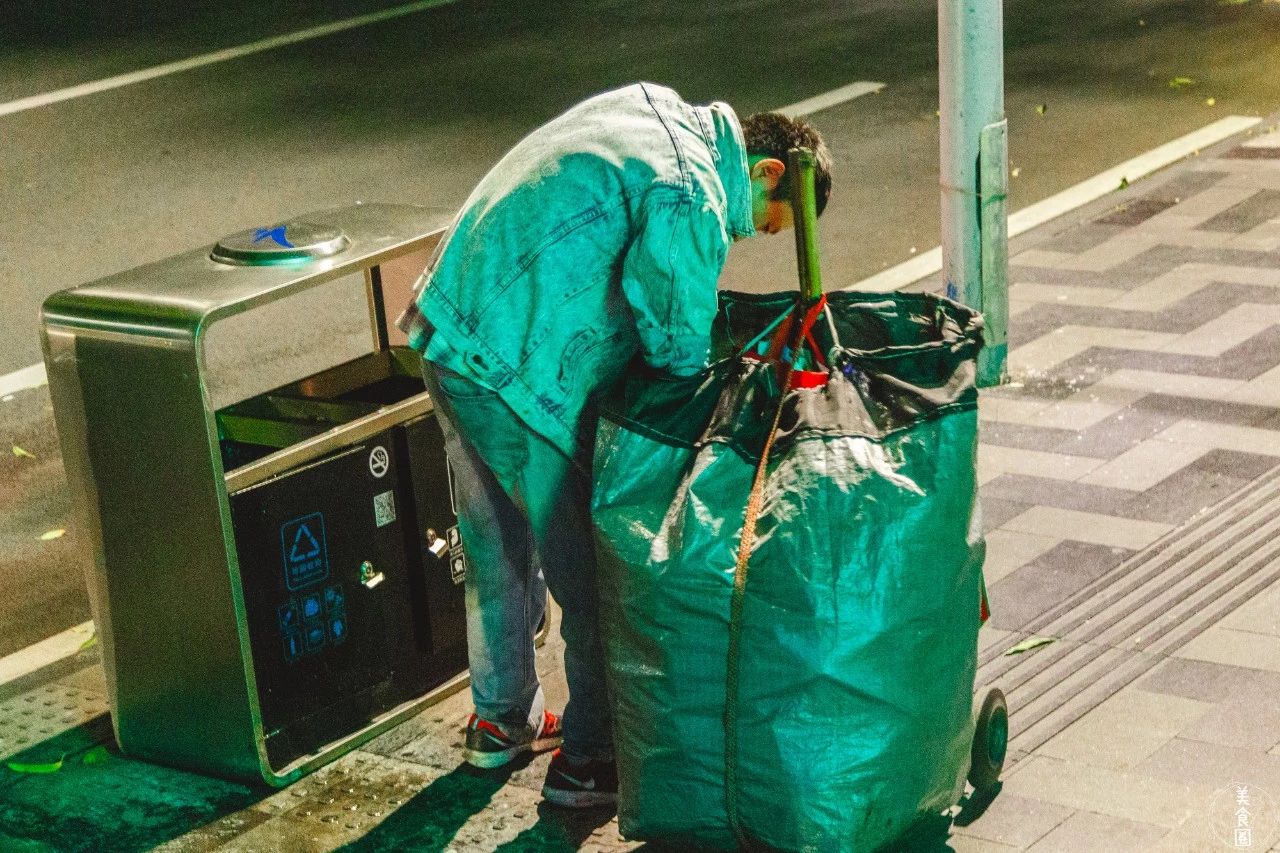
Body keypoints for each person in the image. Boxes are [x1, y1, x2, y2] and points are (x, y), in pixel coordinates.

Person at [397, 82, 831, 808]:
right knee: (591, 575)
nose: (751, 235)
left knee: (497, 547)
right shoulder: (692, 189)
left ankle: (501, 722)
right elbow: (673, 339)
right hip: (515, 368)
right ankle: (590, 760)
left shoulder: (655, 108)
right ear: (767, 172)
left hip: (449, 325)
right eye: (769, 222)